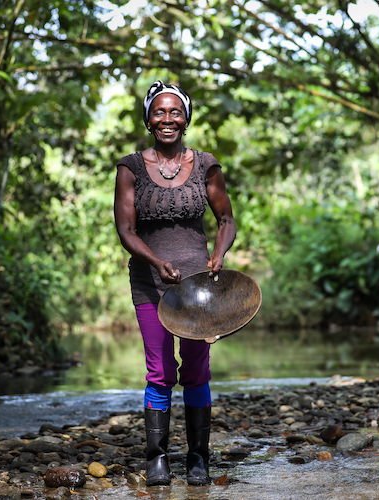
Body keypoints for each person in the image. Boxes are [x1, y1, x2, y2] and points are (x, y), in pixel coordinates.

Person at [114, 81, 236, 486]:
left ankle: (198, 459)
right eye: (159, 112)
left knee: (197, 368)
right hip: (150, 282)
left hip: (199, 288)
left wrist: (218, 255)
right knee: (160, 369)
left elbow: (226, 220)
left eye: (175, 112)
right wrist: (155, 260)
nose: (168, 119)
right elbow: (126, 230)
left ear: (186, 118)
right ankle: (157, 459)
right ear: (149, 119)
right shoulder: (130, 168)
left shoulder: (205, 164)